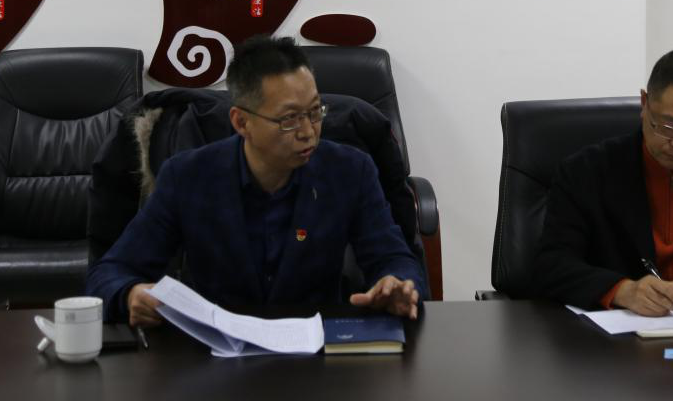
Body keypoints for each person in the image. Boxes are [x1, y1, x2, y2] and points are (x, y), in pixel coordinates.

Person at [86, 36, 425, 326]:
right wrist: (129, 294)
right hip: (215, 355)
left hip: (315, 353)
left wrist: (397, 285)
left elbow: (395, 259)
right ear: (241, 122)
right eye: (289, 119)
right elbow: (110, 273)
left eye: (315, 112)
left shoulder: (350, 170)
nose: (308, 132)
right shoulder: (188, 176)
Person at [534, 48, 673, 315]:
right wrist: (621, 290)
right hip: (610, 332)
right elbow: (551, 265)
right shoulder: (585, 171)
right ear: (644, 103)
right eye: (668, 126)